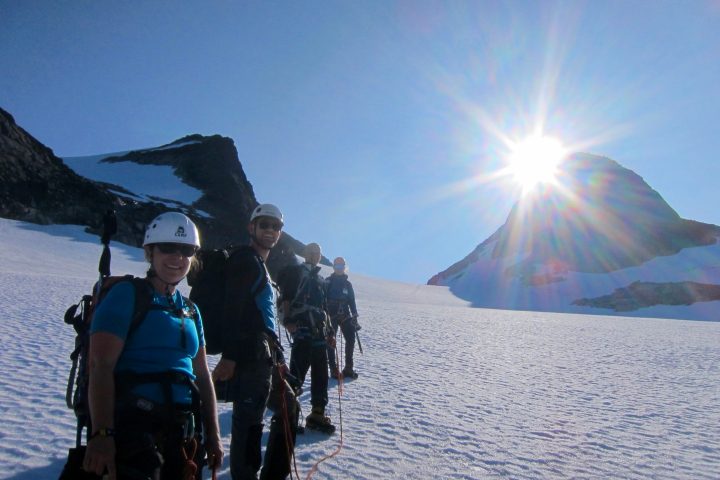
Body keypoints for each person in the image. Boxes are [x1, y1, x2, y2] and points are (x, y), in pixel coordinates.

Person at [83, 212, 223, 479]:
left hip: (182, 432)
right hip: (133, 430)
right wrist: (101, 434)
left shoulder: (191, 311)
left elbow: (203, 375)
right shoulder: (127, 295)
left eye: (186, 250)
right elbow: (99, 365)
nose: (177, 257)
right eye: (167, 247)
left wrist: (214, 436)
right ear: (150, 252)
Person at [211, 203, 299, 480]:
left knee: (289, 408)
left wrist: (279, 360)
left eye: (275, 227)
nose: (270, 231)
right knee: (249, 428)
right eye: (264, 225)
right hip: (249, 358)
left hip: (265, 358)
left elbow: (267, 321)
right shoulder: (245, 260)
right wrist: (230, 357)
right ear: (252, 228)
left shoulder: (259, 265)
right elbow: (233, 309)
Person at [279, 242, 336, 433]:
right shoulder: (296, 272)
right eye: (311, 252)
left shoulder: (321, 279)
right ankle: (288, 416)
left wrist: (330, 332)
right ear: (304, 253)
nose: (314, 255)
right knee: (297, 373)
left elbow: (324, 308)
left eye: (317, 253)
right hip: (302, 328)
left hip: (318, 331)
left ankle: (317, 414)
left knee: (320, 374)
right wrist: (287, 321)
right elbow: (286, 297)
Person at [326, 257, 361, 379]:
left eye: (341, 266)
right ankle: (333, 369)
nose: (339, 268)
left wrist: (355, 314)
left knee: (351, 338)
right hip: (331, 313)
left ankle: (348, 368)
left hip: (345, 313)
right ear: (334, 267)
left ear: (344, 267)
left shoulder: (347, 284)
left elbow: (351, 301)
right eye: (337, 266)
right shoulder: (328, 281)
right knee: (330, 339)